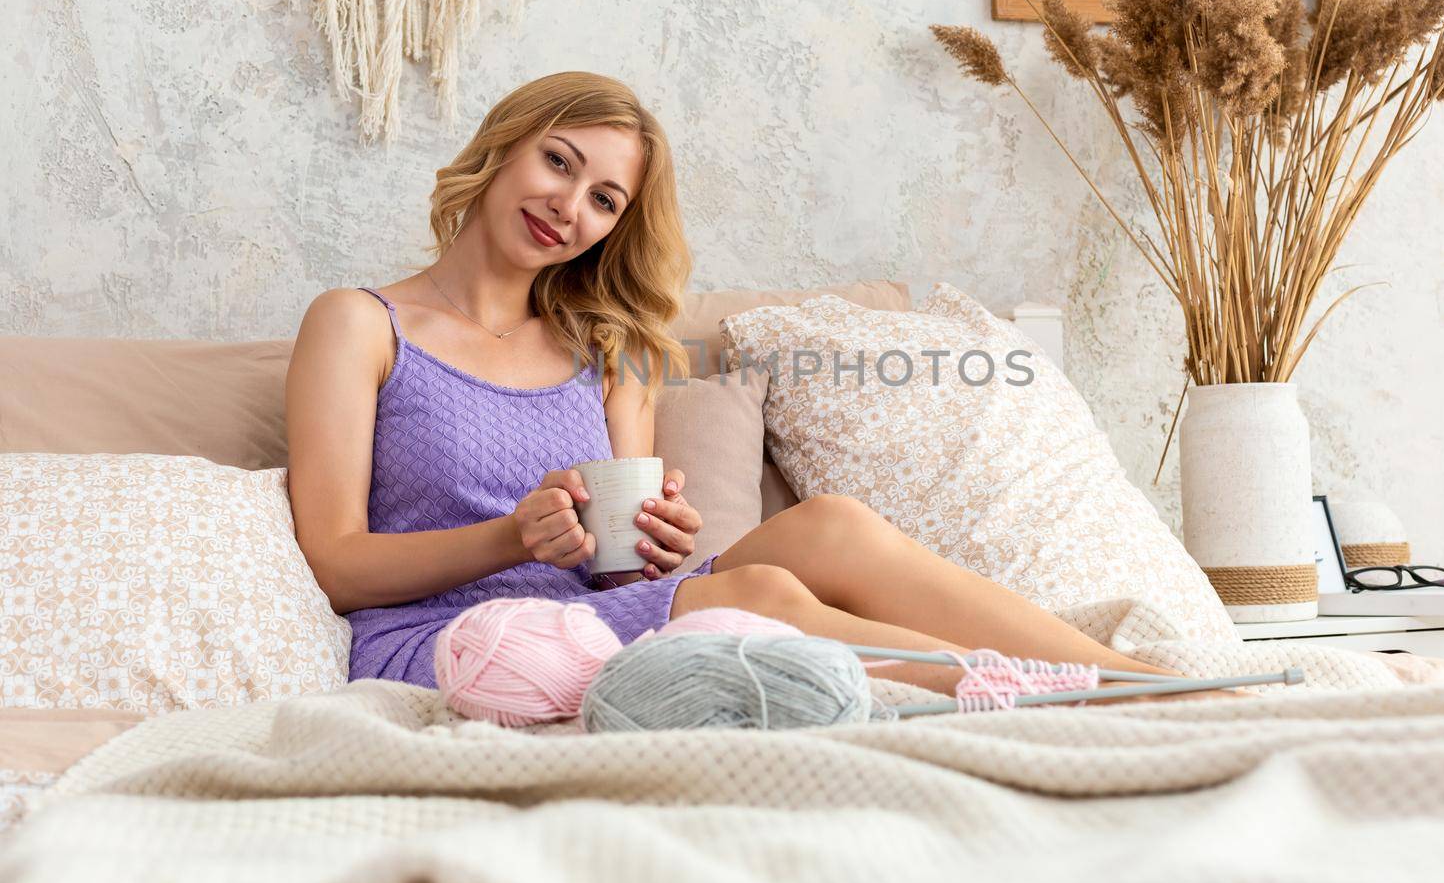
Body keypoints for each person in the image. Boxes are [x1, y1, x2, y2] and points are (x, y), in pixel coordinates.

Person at [284, 71, 1241, 706]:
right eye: (559, 162)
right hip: (461, 641)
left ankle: (1139, 677)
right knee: (765, 589)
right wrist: (511, 535)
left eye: (604, 200)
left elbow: (621, 575)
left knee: (832, 525)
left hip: (599, 617)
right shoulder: (361, 323)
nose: (569, 207)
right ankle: (1032, 692)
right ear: (506, 147)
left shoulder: (606, 349)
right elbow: (335, 562)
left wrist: (644, 543)